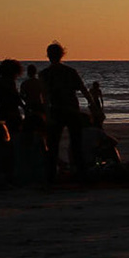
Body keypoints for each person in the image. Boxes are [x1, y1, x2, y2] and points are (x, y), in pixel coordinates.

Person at [41, 43, 87, 183]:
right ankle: (79, 174)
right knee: (76, 144)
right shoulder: (70, 71)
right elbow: (83, 89)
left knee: (54, 145)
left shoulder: (45, 74)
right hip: (71, 110)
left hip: (57, 110)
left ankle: (51, 175)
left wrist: (47, 115)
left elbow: (45, 97)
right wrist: (92, 105)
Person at [0, 59, 24, 131]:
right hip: (12, 111)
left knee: (2, 130)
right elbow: (15, 97)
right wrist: (24, 106)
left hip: (0, 110)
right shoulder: (10, 82)